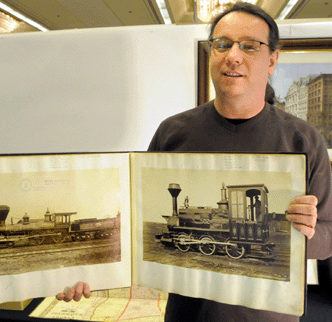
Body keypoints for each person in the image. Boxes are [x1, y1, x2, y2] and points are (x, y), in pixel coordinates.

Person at [58, 2, 332, 321]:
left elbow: (328, 237)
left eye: (249, 46)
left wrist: (303, 234)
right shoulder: (173, 132)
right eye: (222, 44)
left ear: (272, 60)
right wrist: (90, 269)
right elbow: (134, 222)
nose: (233, 55)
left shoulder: (304, 139)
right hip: (187, 315)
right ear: (210, 53)